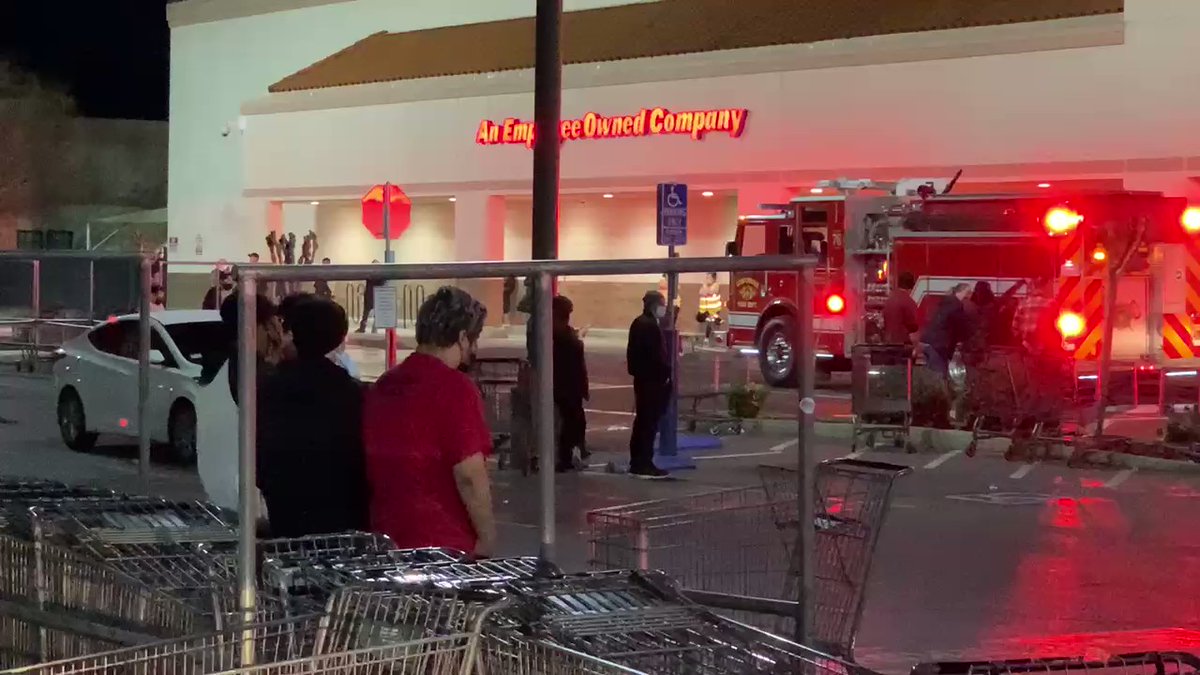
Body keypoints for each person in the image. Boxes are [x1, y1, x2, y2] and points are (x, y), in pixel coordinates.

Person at [363, 286, 496, 556]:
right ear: (462, 337)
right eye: (474, 339)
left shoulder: (386, 384)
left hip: (389, 538)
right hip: (444, 543)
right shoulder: (456, 388)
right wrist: (487, 538)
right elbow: (469, 474)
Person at [258, 297, 369, 537]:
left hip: (285, 506)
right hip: (341, 510)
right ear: (339, 337)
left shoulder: (270, 386)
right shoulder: (350, 391)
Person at [626, 291, 670, 478]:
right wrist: (665, 376)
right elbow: (655, 357)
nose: (664, 308)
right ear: (654, 305)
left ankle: (638, 461)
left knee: (642, 422)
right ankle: (643, 462)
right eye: (662, 304)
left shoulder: (639, 323)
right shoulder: (649, 326)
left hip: (643, 379)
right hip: (651, 382)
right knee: (648, 424)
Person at [552, 295, 589, 472]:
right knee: (571, 422)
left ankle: (572, 452)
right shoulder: (560, 335)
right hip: (566, 386)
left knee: (574, 421)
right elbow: (574, 360)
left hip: (568, 385)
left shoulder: (562, 333)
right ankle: (566, 456)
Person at [920, 283, 971, 376]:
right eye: (968, 293)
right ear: (962, 292)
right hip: (939, 345)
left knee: (931, 375)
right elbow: (959, 328)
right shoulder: (956, 306)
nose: (969, 296)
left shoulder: (946, 302)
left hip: (929, 342)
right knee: (939, 376)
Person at [1013, 277, 1058, 355]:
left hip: (1026, 344)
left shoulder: (1023, 304)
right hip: (1046, 345)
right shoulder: (1051, 304)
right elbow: (1058, 325)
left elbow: (1015, 327)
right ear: (1045, 289)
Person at [882, 272, 920, 345]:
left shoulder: (889, 300)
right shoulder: (909, 302)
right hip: (902, 345)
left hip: (887, 342)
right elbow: (913, 326)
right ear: (911, 287)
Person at [696, 273, 724, 341]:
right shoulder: (705, 285)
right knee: (700, 319)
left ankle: (715, 336)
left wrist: (705, 286)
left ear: (714, 279)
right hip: (705, 310)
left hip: (714, 310)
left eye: (709, 278)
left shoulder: (716, 285)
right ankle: (707, 337)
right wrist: (705, 288)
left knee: (711, 322)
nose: (707, 280)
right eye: (706, 278)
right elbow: (701, 292)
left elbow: (711, 291)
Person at [357, 261, 382, 333]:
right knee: (367, 314)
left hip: (372, 295)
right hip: (372, 295)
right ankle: (368, 328)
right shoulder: (378, 275)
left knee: (367, 314)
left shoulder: (371, 275)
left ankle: (366, 328)